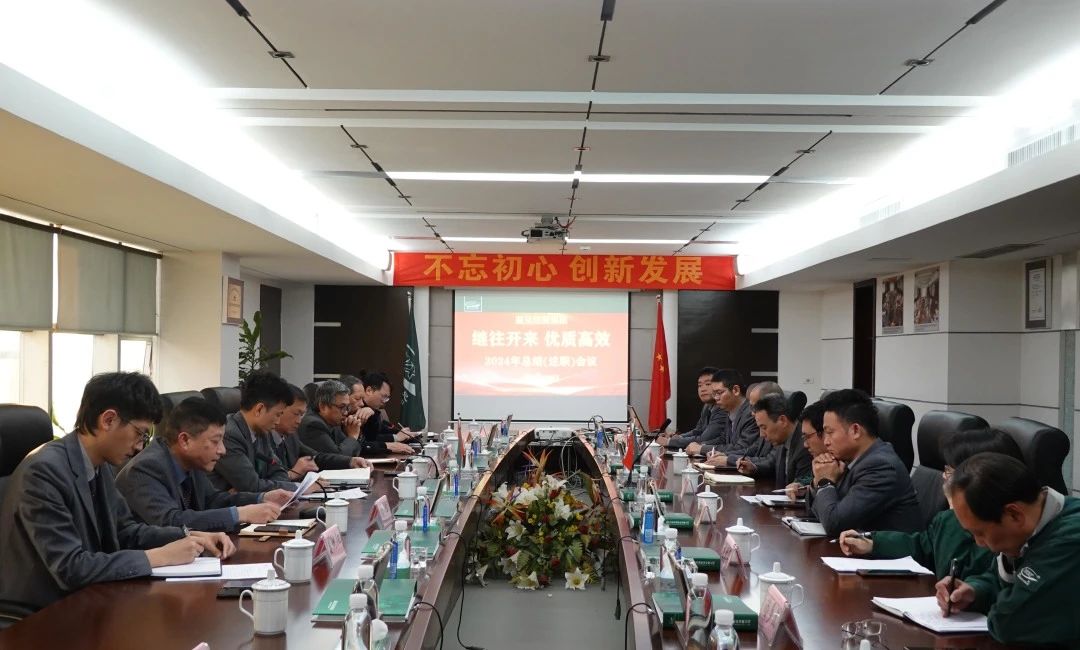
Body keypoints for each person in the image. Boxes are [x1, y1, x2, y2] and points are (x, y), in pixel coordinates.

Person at [0, 372, 234, 618]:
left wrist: (190, 537)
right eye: (140, 433)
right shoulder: (45, 471)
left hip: (88, 600)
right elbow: (70, 567)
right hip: (38, 616)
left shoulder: (98, 465)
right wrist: (156, 557)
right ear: (108, 420)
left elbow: (125, 531)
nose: (141, 446)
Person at [934, 453, 1080, 647]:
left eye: (980, 532)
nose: (979, 543)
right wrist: (976, 591)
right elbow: (1000, 579)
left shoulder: (1070, 541)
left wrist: (1001, 603)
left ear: (1014, 514)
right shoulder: (1033, 529)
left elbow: (1009, 622)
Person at [838, 428, 1023, 579]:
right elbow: (923, 546)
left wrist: (956, 512)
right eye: (946, 470)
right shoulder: (946, 519)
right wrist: (873, 543)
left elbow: (960, 572)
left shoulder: (999, 529)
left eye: (951, 472)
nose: (944, 477)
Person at [116, 397, 291, 532]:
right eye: (215, 441)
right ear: (185, 440)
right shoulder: (145, 468)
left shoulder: (190, 461)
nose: (222, 450)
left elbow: (212, 500)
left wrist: (261, 498)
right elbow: (171, 522)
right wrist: (239, 514)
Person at [809, 389, 921, 537]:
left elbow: (834, 523)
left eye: (830, 432)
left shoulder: (880, 467)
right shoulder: (850, 459)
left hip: (886, 552)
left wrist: (824, 482)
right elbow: (816, 511)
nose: (826, 442)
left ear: (855, 430)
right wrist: (818, 480)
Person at [211, 369, 297, 493]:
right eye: (277, 415)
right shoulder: (229, 435)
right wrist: (295, 488)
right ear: (259, 409)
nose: (278, 422)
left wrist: (265, 485)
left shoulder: (261, 432)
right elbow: (251, 486)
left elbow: (279, 471)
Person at [274, 384, 368, 478]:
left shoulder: (291, 435)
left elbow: (317, 457)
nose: (299, 421)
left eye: (301, 415)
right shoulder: (312, 424)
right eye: (296, 414)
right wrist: (291, 475)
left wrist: (350, 461)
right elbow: (268, 481)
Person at [699, 380, 784, 466]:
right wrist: (725, 455)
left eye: (755, 407)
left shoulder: (780, 432)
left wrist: (728, 459)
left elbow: (769, 461)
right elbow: (752, 450)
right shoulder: (730, 413)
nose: (752, 412)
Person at [737, 393, 811, 484]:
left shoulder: (805, 446)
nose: (761, 435)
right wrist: (753, 468)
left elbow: (801, 485)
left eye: (764, 427)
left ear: (782, 421)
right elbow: (771, 465)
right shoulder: (782, 438)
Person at [656, 367, 729, 451]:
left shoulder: (722, 409)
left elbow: (704, 438)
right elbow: (697, 431)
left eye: (708, 384)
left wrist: (669, 442)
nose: (703, 389)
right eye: (700, 385)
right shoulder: (707, 406)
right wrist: (678, 437)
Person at [354, 371, 418, 454]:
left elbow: (381, 430)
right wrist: (393, 440)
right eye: (357, 398)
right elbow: (365, 441)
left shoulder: (372, 411)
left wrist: (403, 435)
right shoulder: (354, 411)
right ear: (369, 391)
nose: (361, 404)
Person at [782, 401, 830, 500]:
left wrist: (824, 482)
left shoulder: (846, 465)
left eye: (808, 436)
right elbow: (808, 479)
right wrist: (800, 486)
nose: (805, 444)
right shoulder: (822, 461)